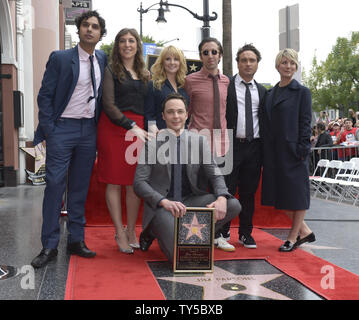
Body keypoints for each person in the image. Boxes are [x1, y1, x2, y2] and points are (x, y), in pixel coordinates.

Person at [31, 11, 108, 268]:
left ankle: (76, 240)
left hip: (89, 130)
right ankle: (49, 245)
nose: (89, 29)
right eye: (85, 25)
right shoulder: (61, 58)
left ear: (100, 33)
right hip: (62, 129)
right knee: (54, 185)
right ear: (79, 29)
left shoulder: (102, 58)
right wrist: (50, 130)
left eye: (95, 27)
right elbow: (45, 95)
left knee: (79, 188)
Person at [133, 93, 241, 262]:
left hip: (191, 201)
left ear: (186, 114)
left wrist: (221, 196)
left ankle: (193, 233)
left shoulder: (199, 141)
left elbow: (215, 172)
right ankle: (153, 231)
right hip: (163, 207)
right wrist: (163, 201)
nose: (175, 116)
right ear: (163, 116)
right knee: (180, 258)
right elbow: (139, 183)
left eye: (179, 111)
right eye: (170, 112)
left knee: (232, 204)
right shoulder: (152, 144)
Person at [97, 28, 149, 254]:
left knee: (133, 183)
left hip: (138, 130)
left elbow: (148, 104)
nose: (127, 45)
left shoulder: (144, 72)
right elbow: (108, 105)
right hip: (115, 127)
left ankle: (131, 231)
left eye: (131, 41)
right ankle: (119, 231)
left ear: (137, 45)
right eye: (122, 41)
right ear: (117, 46)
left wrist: (146, 128)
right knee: (114, 182)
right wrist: (132, 126)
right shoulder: (111, 69)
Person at [261, 48, 315, 252]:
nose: (289, 66)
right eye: (285, 62)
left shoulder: (302, 92)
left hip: (294, 151)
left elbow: (305, 122)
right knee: (280, 198)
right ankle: (305, 231)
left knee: (296, 196)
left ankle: (293, 237)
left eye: (292, 63)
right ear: (277, 66)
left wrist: (302, 149)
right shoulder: (270, 93)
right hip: (274, 153)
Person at [184, 37, 234, 251]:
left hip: (222, 143)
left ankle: (219, 234)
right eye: (206, 52)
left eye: (214, 52)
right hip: (197, 144)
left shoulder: (226, 81)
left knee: (221, 190)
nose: (210, 56)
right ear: (200, 56)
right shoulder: (190, 81)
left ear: (220, 55)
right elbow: (183, 111)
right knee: (199, 191)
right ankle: (196, 234)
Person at [225, 44, 267, 249]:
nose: (248, 64)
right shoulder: (227, 86)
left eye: (252, 60)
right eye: (244, 60)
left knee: (249, 193)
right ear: (238, 63)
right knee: (227, 189)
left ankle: (245, 233)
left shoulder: (262, 91)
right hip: (231, 145)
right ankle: (222, 231)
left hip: (254, 147)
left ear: (257, 64)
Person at [145, 45, 189, 133]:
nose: (172, 62)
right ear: (162, 62)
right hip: (162, 137)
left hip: (183, 136)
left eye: (176, 59)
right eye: (168, 59)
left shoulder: (184, 85)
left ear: (180, 62)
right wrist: (156, 133)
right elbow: (149, 116)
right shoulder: (153, 85)